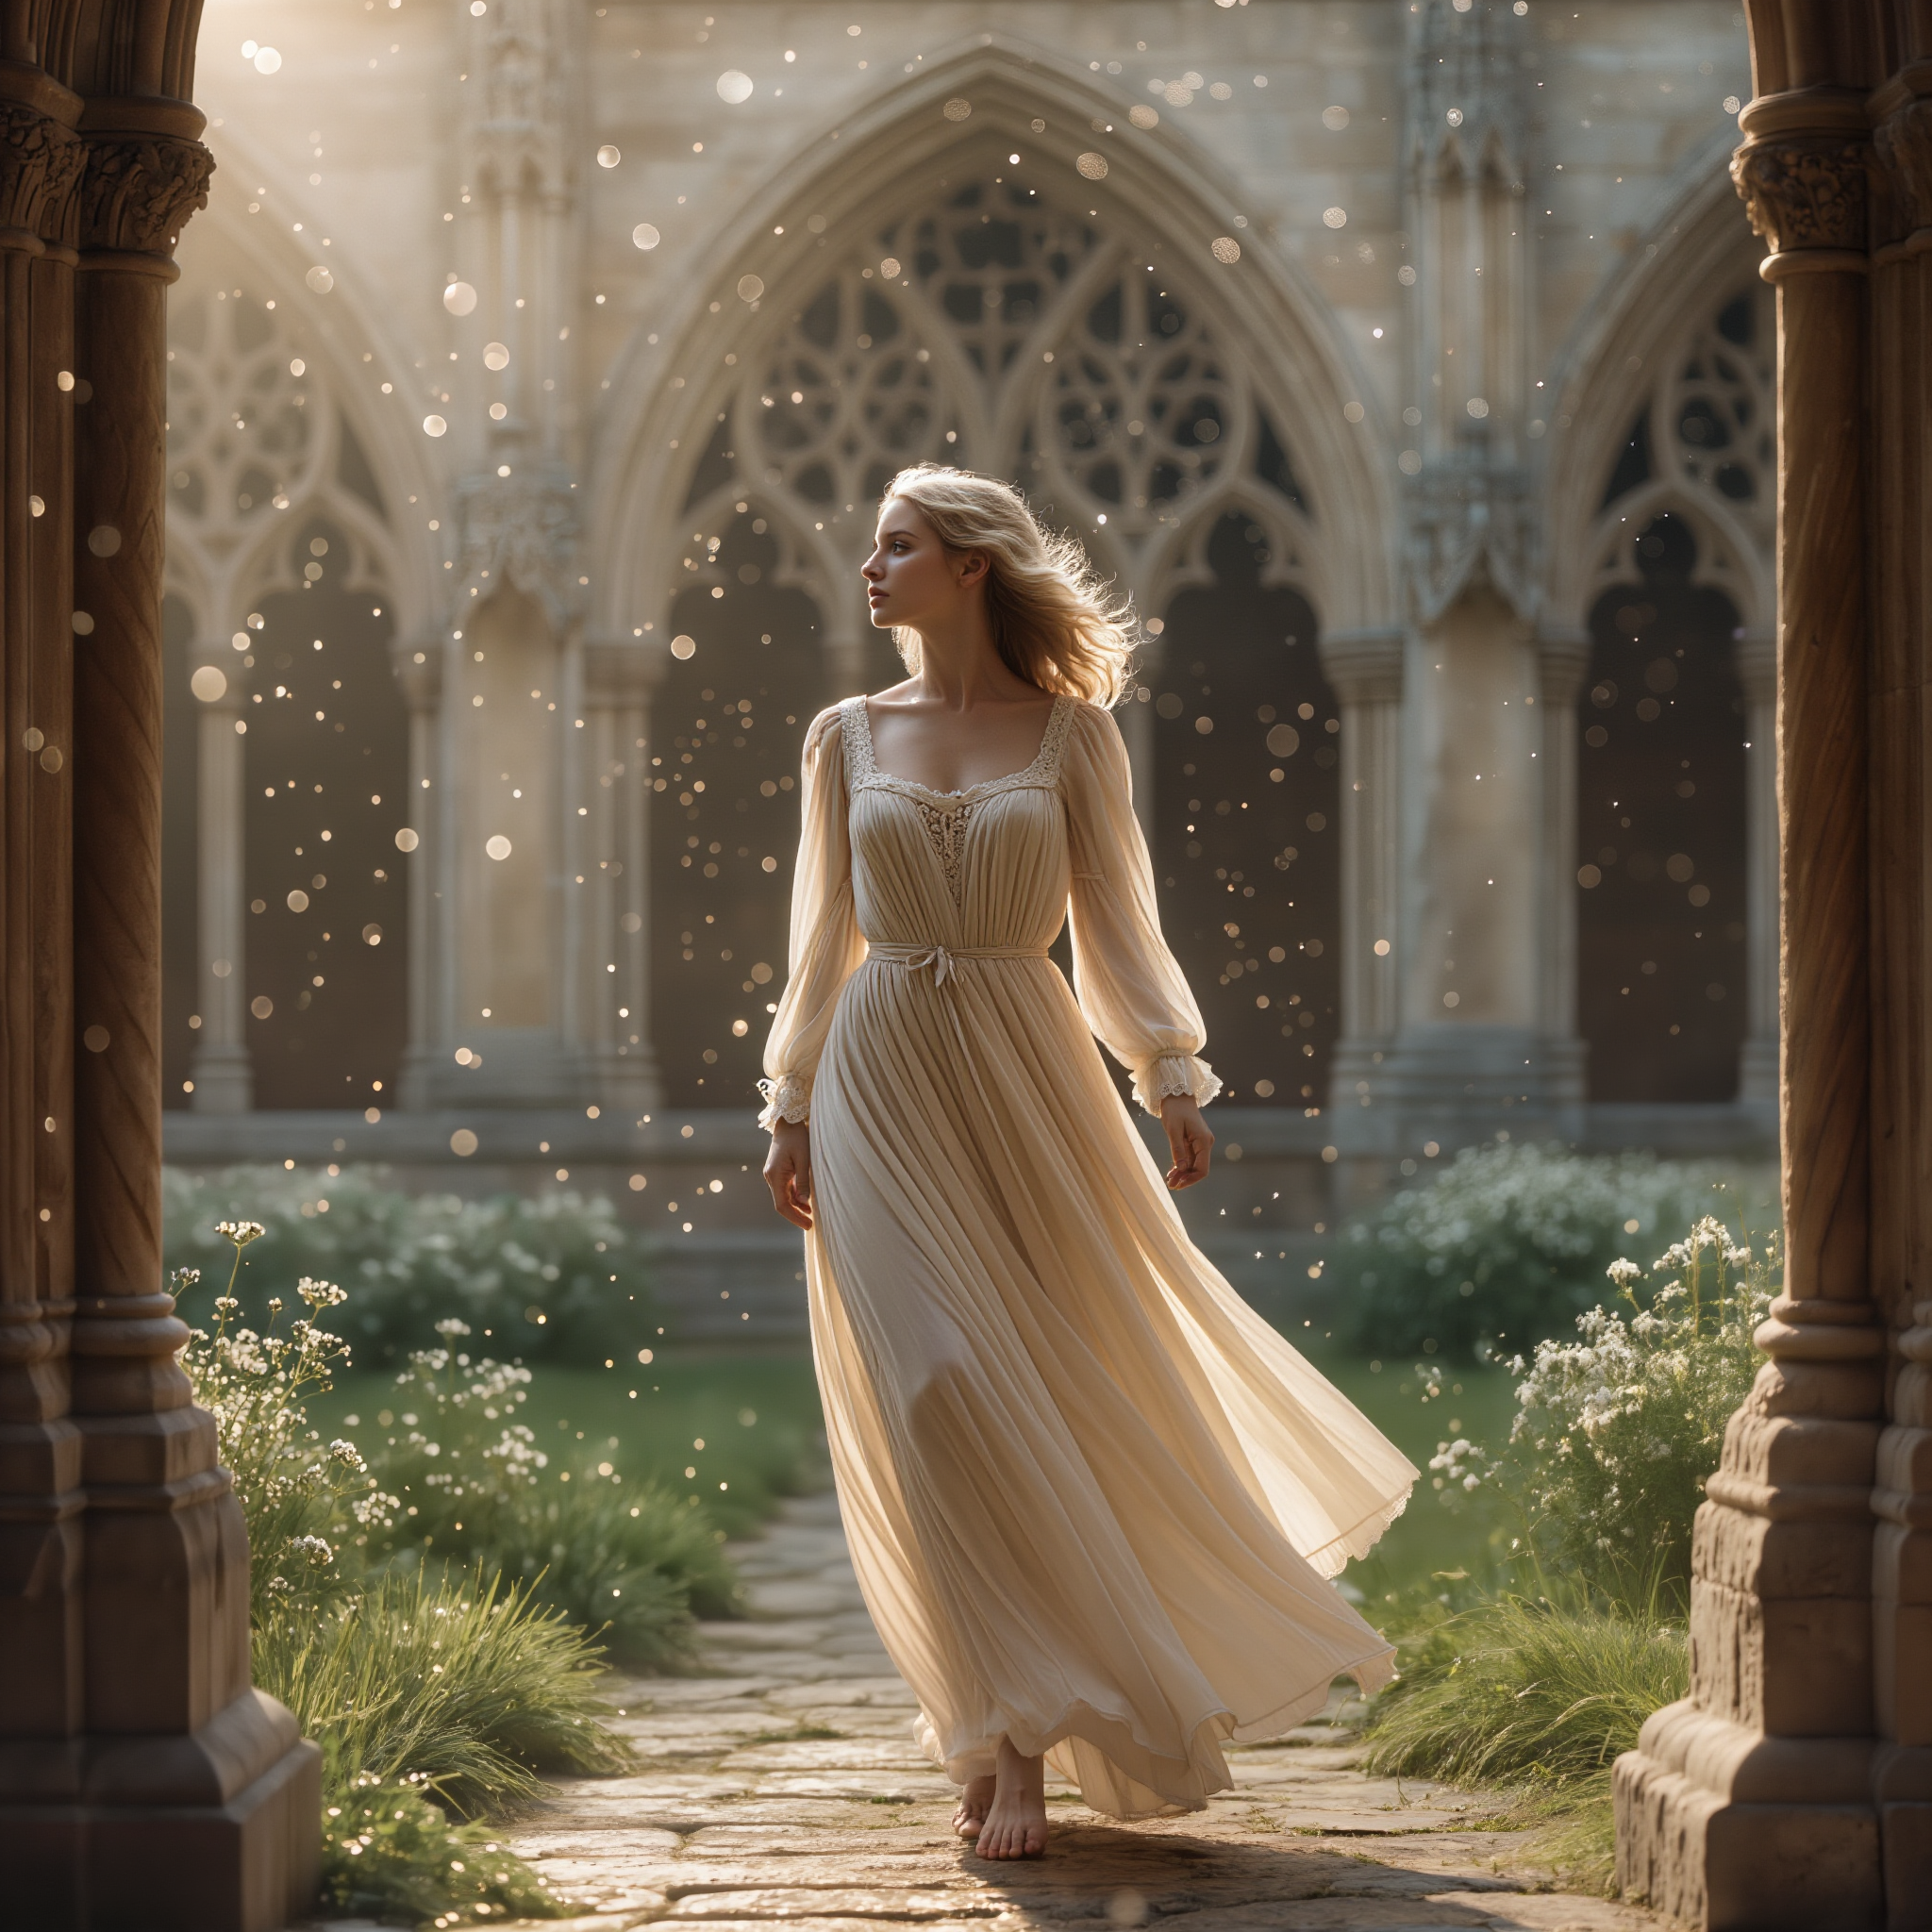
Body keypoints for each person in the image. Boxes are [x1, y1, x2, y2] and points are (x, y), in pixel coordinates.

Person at [758, 465, 1417, 1861]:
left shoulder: (1073, 739)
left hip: (1027, 1072)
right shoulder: (841, 736)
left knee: (1056, 1383)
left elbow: (1115, 921)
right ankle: (1000, 1728)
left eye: (899, 546)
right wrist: (788, 1099)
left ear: (974, 565)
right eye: (875, 547)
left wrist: (1168, 1066)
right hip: (879, 1079)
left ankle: (1030, 1727)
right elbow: (824, 941)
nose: (869, 569)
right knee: (934, 1385)